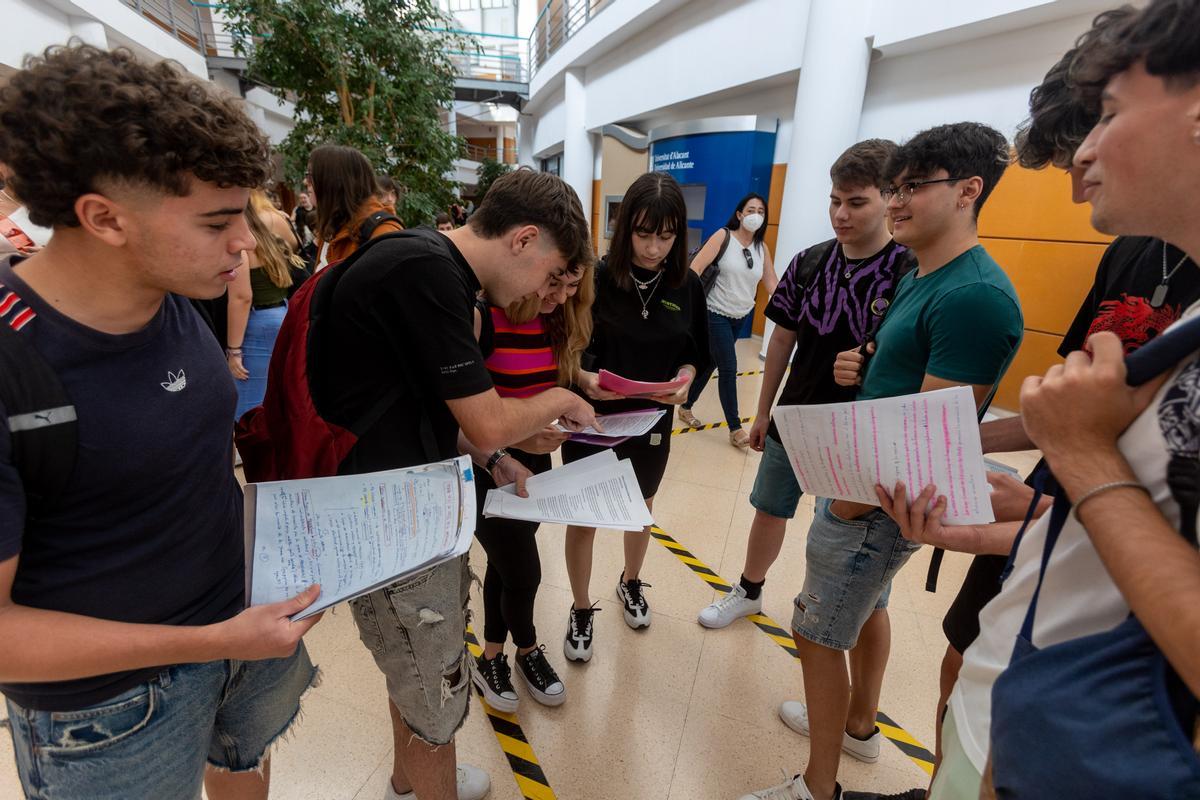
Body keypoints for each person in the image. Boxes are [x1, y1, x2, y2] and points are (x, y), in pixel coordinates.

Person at [881, 3, 1200, 797]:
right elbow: (1153, 528)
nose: (1086, 151)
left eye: (1112, 114)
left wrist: (1083, 458)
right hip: (1024, 708)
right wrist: (1032, 521)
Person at [0, 44, 322, 800]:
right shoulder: (16, 367)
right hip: (111, 714)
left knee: (243, 764)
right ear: (104, 218)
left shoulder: (173, 288)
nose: (245, 244)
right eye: (217, 223)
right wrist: (210, 641)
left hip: (237, 631)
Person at [740, 122, 1023, 800]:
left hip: (873, 502)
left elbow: (925, 438)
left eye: (909, 189)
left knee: (814, 632)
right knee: (865, 611)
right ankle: (859, 725)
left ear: (967, 192)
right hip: (864, 486)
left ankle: (818, 787)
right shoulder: (925, 274)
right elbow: (907, 377)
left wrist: (848, 503)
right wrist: (862, 363)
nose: (894, 203)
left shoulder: (973, 296)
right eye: (890, 189)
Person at [303, 167, 598, 800]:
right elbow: (488, 418)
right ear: (523, 239)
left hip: (396, 500)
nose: (549, 296)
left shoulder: (428, 267)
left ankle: (406, 783)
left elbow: (432, 412)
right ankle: (426, 781)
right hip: (388, 516)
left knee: (411, 672)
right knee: (434, 694)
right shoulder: (426, 271)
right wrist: (553, 397)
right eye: (552, 276)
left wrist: (496, 462)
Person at [697, 139, 910, 630]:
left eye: (856, 202)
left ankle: (835, 617)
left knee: (840, 533)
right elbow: (781, 342)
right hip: (795, 415)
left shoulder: (907, 272)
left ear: (890, 197)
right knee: (769, 509)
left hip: (860, 431)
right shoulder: (810, 263)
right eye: (835, 200)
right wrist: (764, 408)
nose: (841, 213)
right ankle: (748, 590)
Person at [561, 171, 710, 662]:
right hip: (591, 418)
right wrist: (584, 381)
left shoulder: (685, 285)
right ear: (625, 229)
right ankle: (581, 606)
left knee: (640, 509)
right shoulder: (596, 278)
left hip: (651, 420)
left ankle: (630, 581)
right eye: (643, 234)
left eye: (665, 237)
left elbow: (696, 352)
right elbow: (566, 350)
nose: (653, 248)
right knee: (583, 514)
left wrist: (685, 379)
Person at [466, 260, 594, 713]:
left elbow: (545, 379)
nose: (558, 295)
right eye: (552, 281)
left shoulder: (559, 318)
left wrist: (581, 381)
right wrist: (515, 439)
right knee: (524, 571)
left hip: (535, 461)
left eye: (572, 286)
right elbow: (465, 413)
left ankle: (491, 656)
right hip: (486, 465)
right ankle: (527, 649)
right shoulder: (482, 316)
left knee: (505, 564)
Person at [679, 193, 779, 447]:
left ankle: (686, 405)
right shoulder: (723, 237)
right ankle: (735, 428)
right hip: (714, 313)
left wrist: (795, 308)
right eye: (751, 209)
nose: (756, 215)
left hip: (740, 316)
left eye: (761, 211)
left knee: (711, 364)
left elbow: (771, 283)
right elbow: (695, 269)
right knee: (728, 367)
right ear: (739, 214)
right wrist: (691, 306)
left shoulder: (761, 248)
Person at [226, 190, 304, 421]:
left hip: (258, 324)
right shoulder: (269, 237)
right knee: (277, 398)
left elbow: (241, 297)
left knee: (250, 409)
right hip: (282, 313)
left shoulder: (241, 244)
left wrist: (234, 350)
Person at [307, 144, 403, 271]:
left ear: (333, 182)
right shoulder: (333, 227)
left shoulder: (383, 232)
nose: (305, 182)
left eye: (310, 176)